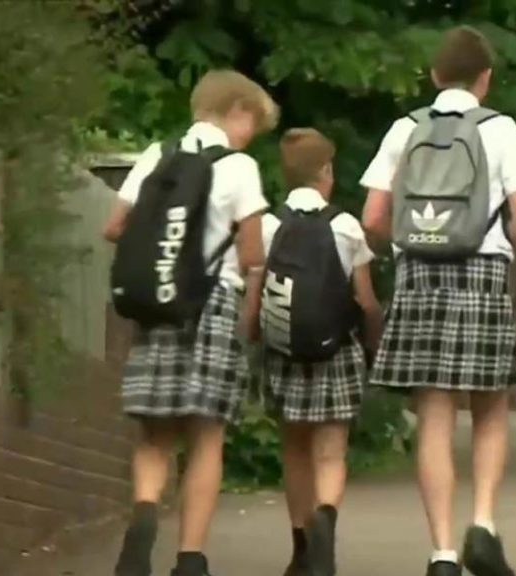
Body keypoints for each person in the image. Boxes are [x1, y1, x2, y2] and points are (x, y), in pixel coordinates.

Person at [359, 25, 516, 576]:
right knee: (489, 409)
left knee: (434, 415)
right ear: (484, 79)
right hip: (482, 271)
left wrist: (410, 242)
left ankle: (440, 552)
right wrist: (501, 241)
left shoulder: (404, 129)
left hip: (420, 274)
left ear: (436, 76)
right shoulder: (501, 130)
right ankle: (482, 524)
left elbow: (372, 216)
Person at [103, 70, 278, 576]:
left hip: (159, 306)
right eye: (253, 124)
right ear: (238, 111)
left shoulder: (158, 155)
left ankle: (142, 517)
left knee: (154, 435)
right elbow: (250, 252)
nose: (251, 136)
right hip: (213, 304)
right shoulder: (239, 166)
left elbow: (115, 226)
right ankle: (190, 558)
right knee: (206, 435)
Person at [262, 129, 384, 576]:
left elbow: (256, 298)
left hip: (285, 351)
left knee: (294, 449)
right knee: (331, 452)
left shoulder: (269, 225)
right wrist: (373, 340)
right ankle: (326, 522)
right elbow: (366, 300)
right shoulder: (345, 225)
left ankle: (300, 550)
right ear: (326, 172)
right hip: (337, 352)